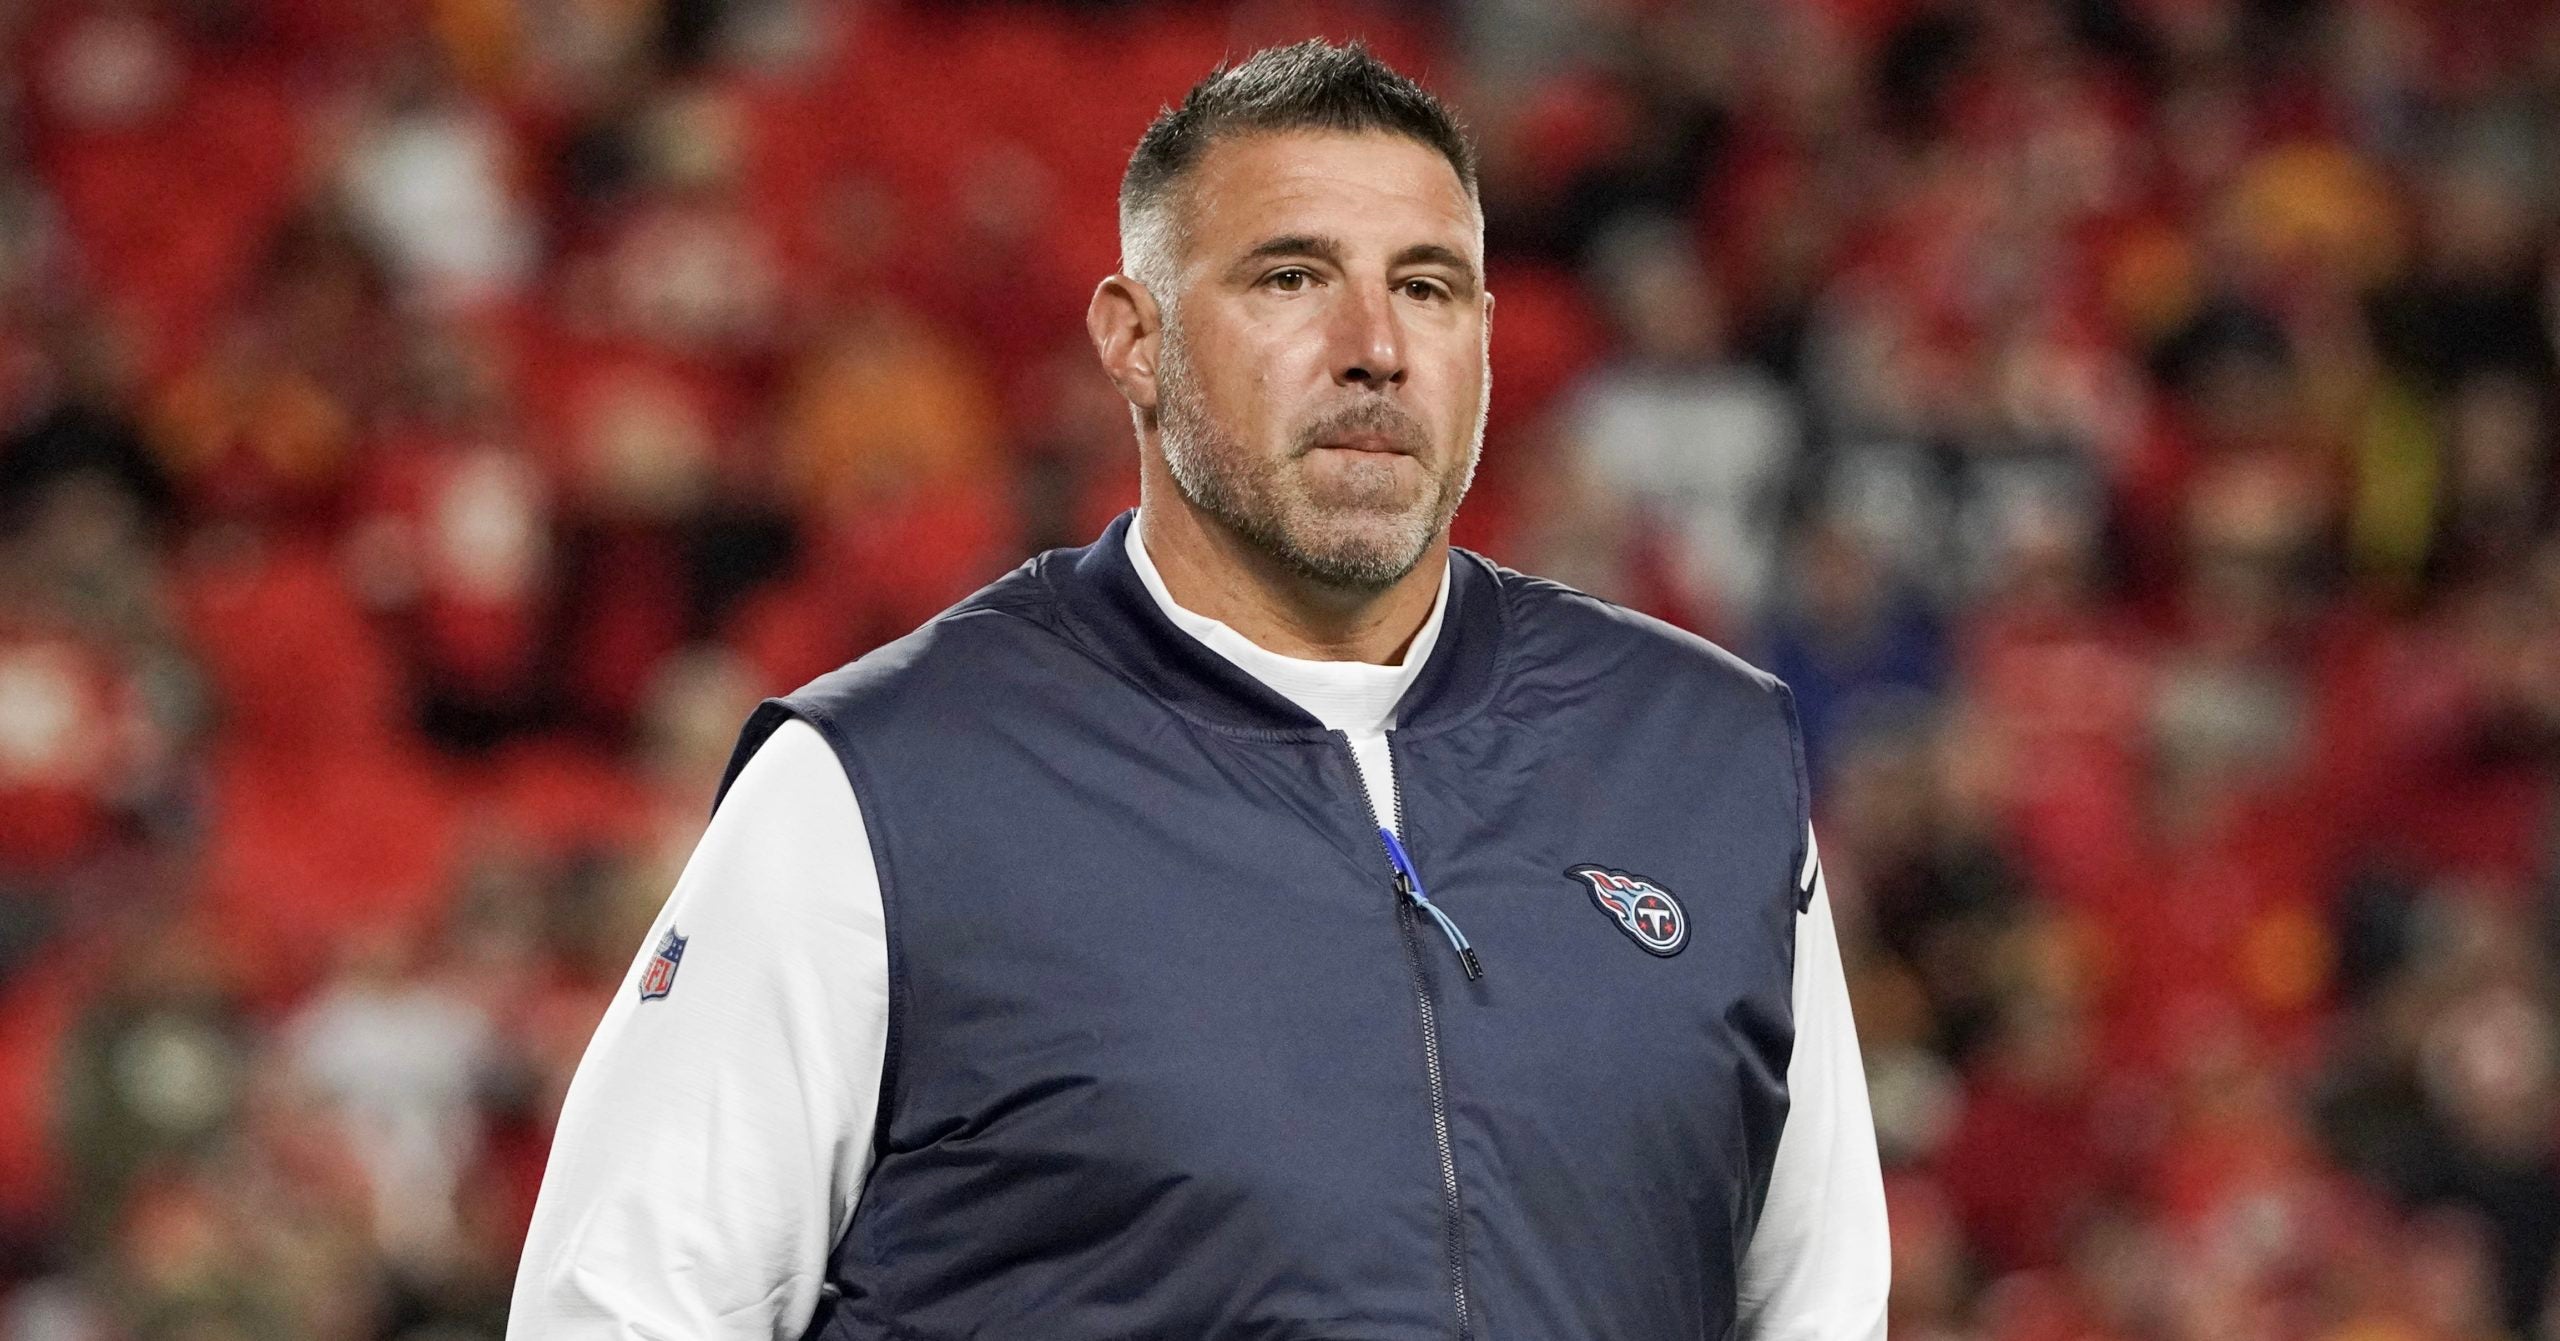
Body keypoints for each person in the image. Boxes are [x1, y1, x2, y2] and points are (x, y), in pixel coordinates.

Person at [507, 39, 1889, 1340]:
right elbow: (623, 1308)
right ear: (1133, 338)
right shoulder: (880, 788)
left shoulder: (1704, 761)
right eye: (1291, 277)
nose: (1374, 346)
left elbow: (1822, 1303)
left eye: (1427, 284)